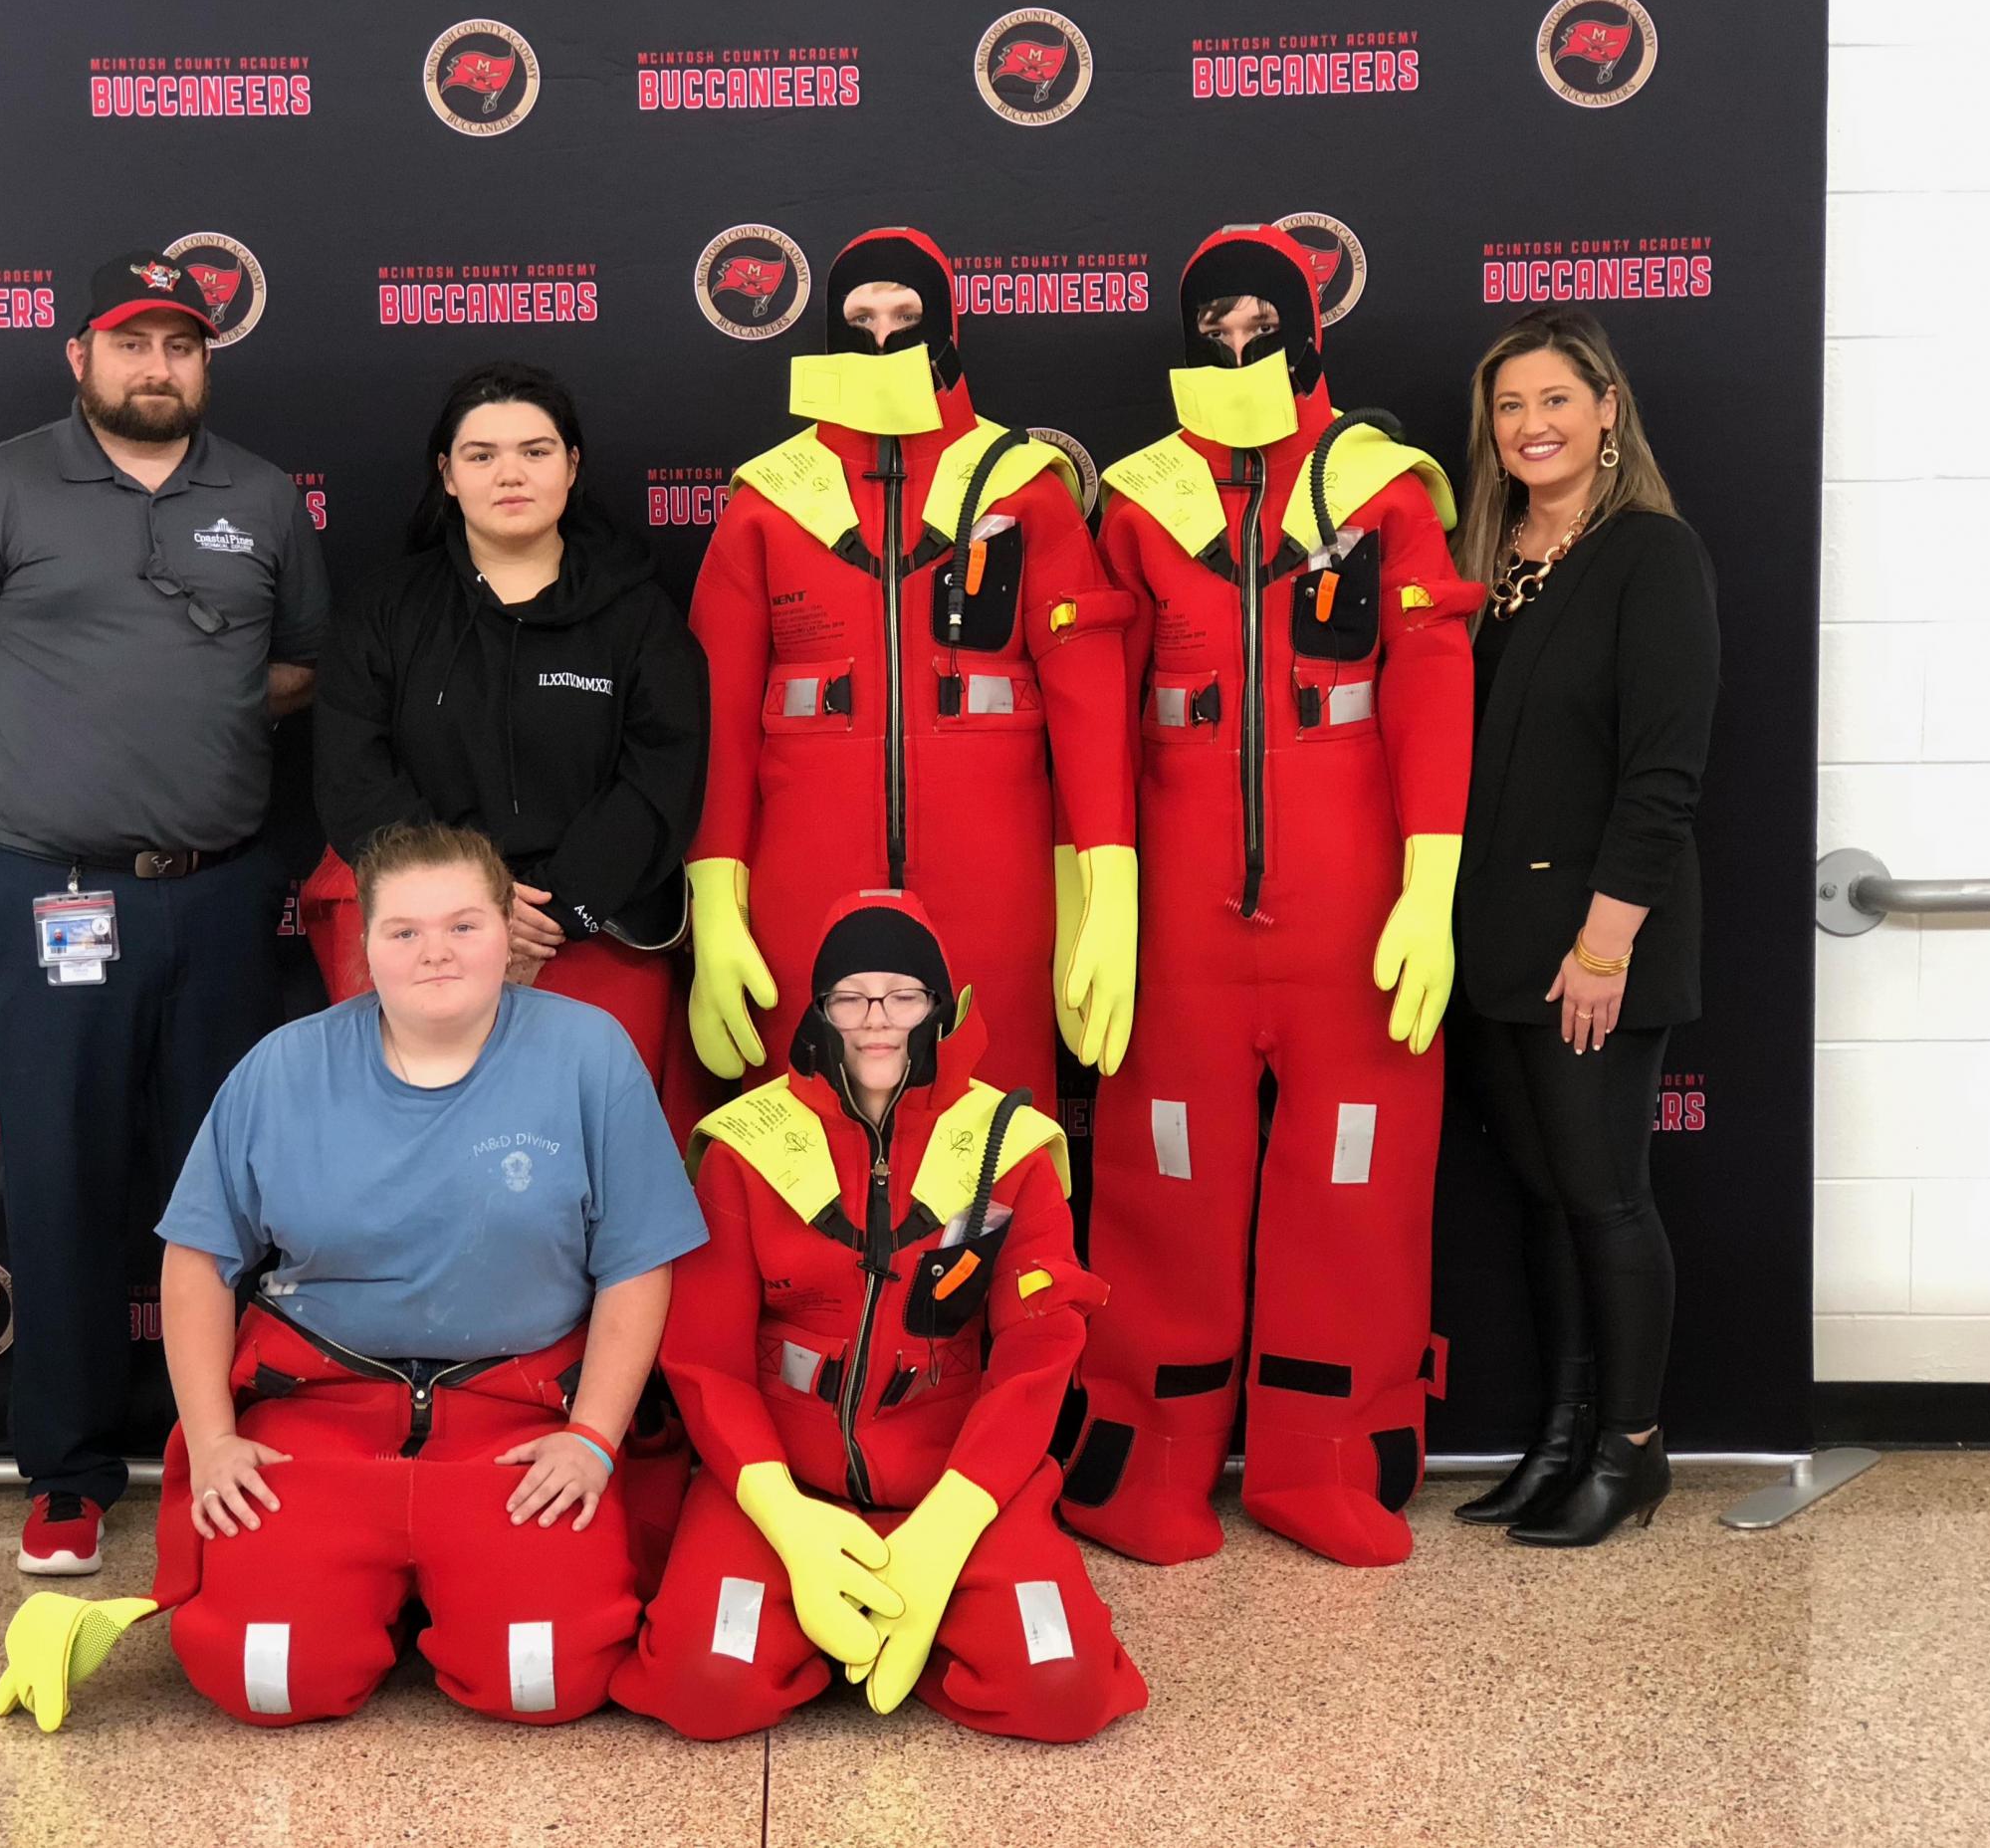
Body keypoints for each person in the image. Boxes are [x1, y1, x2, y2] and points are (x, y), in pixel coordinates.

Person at [0, 822, 708, 1732]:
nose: (434, 952)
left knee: (544, 1680)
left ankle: (434, 1585)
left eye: (463, 925)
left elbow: (639, 1259)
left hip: (516, 1418)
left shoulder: (589, 1053)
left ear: (508, 930)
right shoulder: (283, 1069)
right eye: (403, 931)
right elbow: (197, 1259)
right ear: (363, 944)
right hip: (322, 1410)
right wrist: (212, 1442)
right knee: (269, 1680)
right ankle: (377, 1585)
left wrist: (595, 1438)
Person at [0, 249, 329, 1574]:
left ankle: (232, 1450)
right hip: (52, 890)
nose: (158, 367)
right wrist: (50, 751)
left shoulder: (258, 496)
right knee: (65, 1177)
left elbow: (300, 665)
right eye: (133, 344)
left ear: (206, 361)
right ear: (79, 355)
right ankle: (70, 1473)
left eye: (182, 346)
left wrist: (177, 734)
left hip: (220, 889)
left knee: (234, 1181)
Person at [1056, 224, 1483, 1570]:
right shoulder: (1134, 500)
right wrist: (1101, 898)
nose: (1237, 336)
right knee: (1160, 1180)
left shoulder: (1385, 489)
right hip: (1179, 926)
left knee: (1352, 1186)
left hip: (1353, 919)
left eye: (1261, 314)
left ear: (1308, 330)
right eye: (1214, 317)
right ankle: (1152, 1460)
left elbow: (1429, 684)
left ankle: (1322, 1455)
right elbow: (1089, 709)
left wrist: (1432, 887)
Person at [612, 890, 1147, 1742]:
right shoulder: (747, 1148)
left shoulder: (1006, 1150)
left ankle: (913, 1620)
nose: (877, 1021)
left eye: (903, 994)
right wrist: (783, 1516)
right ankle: (841, 1626)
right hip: (779, 1490)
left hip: (960, 1492)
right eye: (851, 996)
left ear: (940, 1005)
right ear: (820, 1011)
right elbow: (705, 1363)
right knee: (705, 1686)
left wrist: (949, 1525)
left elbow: (1040, 1356)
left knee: (1061, 1689)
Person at [682, 226, 1139, 1110]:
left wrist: (1105, 895)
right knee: (809, 1140)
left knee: (996, 1140)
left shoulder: (1025, 489)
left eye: (907, 314)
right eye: (860, 316)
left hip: (996, 885)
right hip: (803, 880)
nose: (884, 335)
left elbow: (1092, 712)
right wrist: (715, 908)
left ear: (949, 332)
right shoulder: (767, 505)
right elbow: (719, 727)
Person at [1446, 308, 1718, 1546]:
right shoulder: (1490, 564)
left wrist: (1602, 946)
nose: (1531, 426)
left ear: (1607, 410)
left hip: (1594, 945)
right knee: (1543, 1201)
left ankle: (1632, 1446)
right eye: (1509, 406)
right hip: (1494, 935)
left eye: (1555, 399)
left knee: (1606, 1196)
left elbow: (1662, 775)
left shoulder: (1650, 555)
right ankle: (1557, 1437)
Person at [305, 362, 707, 1099]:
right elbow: (351, 769)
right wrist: (467, 909)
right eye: (481, 455)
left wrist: (552, 910)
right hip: (426, 932)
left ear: (573, 465)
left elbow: (662, 771)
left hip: (588, 930)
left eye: (536, 450)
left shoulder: (639, 615)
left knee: (594, 1154)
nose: (509, 474)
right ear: (447, 474)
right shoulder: (386, 609)